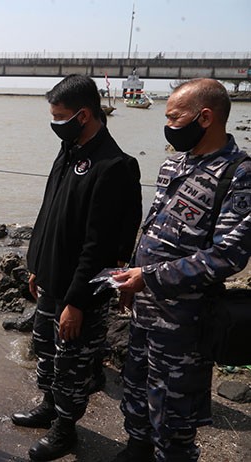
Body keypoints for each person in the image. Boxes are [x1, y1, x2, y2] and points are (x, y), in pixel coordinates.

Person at [113, 78, 251, 462]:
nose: (169, 125)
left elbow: (229, 255)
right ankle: (136, 448)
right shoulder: (174, 162)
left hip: (185, 324)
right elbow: (154, 227)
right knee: (136, 393)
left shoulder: (238, 174)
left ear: (205, 117)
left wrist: (150, 277)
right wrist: (132, 278)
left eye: (175, 117)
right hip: (145, 310)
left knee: (174, 419)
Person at [15, 74, 142, 461]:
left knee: (73, 364)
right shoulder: (70, 150)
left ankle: (65, 429)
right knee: (46, 352)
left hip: (79, 291)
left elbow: (99, 246)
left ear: (84, 115)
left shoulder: (113, 165)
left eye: (60, 116)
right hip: (51, 279)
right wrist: (36, 264)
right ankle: (48, 406)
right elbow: (50, 213)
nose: (55, 124)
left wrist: (77, 302)